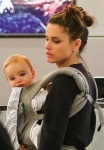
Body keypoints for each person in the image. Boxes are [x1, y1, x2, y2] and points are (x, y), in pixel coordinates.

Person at [37, 4, 97, 150]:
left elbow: (49, 143)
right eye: (46, 39)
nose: (47, 46)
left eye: (56, 41)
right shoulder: (87, 77)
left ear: (76, 44)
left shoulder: (64, 81)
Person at [3, 54, 47, 150]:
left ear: (33, 73)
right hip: (23, 140)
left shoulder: (40, 91)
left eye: (22, 74)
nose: (18, 80)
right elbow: (11, 121)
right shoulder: (15, 97)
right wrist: (16, 145)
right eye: (12, 78)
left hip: (40, 136)